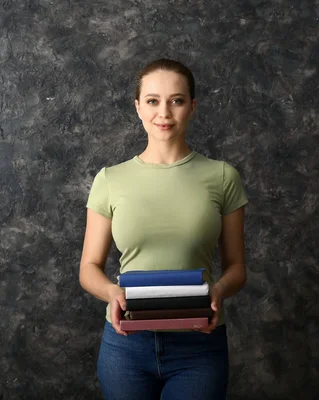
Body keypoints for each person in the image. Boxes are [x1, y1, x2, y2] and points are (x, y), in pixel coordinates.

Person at [79, 58, 249, 400]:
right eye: (153, 100)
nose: (164, 113)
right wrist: (112, 293)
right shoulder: (110, 179)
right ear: (138, 107)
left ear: (192, 107)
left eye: (177, 100)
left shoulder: (222, 177)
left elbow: (237, 268)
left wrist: (216, 292)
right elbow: (89, 268)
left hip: (199, 345)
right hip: (126, 346)